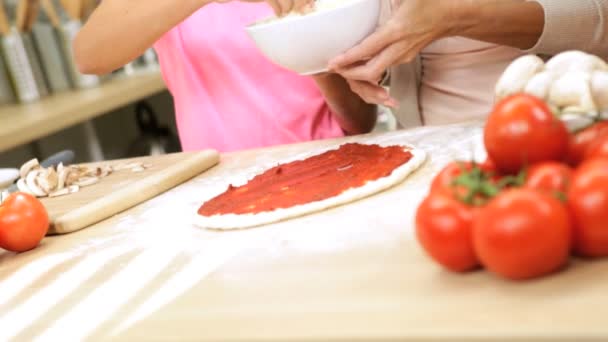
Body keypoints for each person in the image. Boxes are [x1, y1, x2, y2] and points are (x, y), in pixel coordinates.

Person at [73, 0, 376, 152]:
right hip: (219, 185)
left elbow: (360, 120)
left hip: (328, 163)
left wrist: (309, 45)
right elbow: (88, 56)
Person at [327, 0, 608, 128]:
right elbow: (357, 118)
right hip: (427, 156)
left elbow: (600, 18)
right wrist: (305, 31)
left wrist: (455, 15)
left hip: (562, 135)